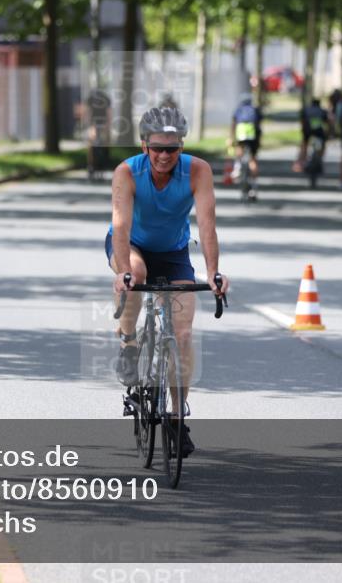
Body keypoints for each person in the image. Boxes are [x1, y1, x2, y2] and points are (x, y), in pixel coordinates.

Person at [107, 106, 229, 458]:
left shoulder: (198, 171)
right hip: (131, 246)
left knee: (184, 334)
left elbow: (207, 225)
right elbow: (121, 226)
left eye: (172, 149)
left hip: (174, 252)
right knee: (137, 275)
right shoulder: (127, 172)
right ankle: (129, 343)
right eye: (157, 148)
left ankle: (177, 418)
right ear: (144, 146)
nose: (164, 156)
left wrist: (213, 272)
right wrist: (123, 271)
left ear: (182, 147)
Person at [228, 93, 262, 191]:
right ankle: (254, 185)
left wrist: (231, 138)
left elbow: (234, 124)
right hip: (253, 135)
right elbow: (259, 125)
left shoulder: (238, 110)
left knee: (239, 148)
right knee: (253, 159)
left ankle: (237, 168)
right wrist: (259, 141)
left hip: (241, 132)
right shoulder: (255, 110)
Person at [85, 89, 112, 180]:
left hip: (103, 124)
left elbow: (108, 113)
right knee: (91, 143)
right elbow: (88, 113)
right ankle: (90, 165)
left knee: (106, 142)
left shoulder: (106, 99)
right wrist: (89, 125)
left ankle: (105, 161)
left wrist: (107, 126)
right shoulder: (91, 99)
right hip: (94, 124)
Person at [296, 98, 329, 171]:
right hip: (318, 131)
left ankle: (301, 162)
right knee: (323, 144)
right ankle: (320, 159)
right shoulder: (322, 110)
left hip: (307, 130)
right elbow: (326, 122)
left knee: (304, 144)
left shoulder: (306, 110)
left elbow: (302, 121)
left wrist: (303, 130)